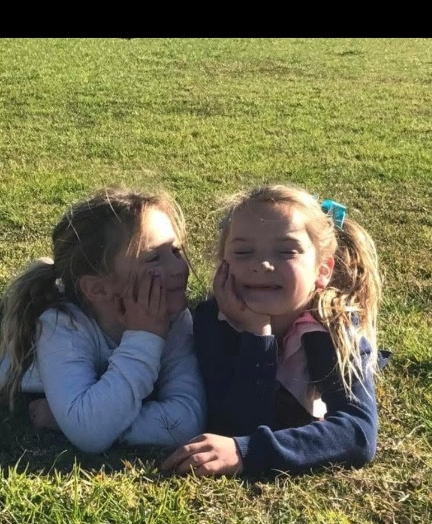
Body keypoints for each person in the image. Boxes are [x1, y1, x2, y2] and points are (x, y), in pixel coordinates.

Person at [162, 184, 389, 477]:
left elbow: (358, 432)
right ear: (223, 265)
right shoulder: (210, 322)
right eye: (243, 252)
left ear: (322, 271)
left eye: (286, 251)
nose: (262, 265)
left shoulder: (332, 326)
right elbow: (237, 423)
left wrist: (246, 452)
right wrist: (257, 334)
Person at [0, 186, 206, 453]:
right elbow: (90, 433)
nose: (179, 268)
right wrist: (145, 337)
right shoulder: (62, 325)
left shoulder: (174, 318)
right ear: (98, 289)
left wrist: (70, 422)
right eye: (154, 258)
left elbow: (187, 421)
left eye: (176, 251)